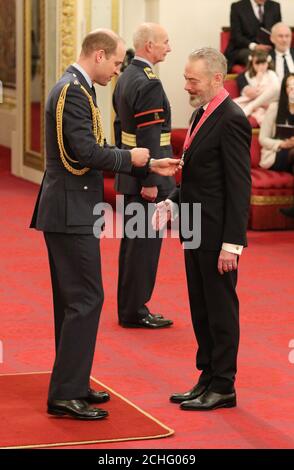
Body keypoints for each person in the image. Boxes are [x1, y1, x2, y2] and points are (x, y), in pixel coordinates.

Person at [30, 29, 180, 420]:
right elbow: (82, 153)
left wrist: (147, 162)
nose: (118, 70)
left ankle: (73, 383)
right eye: (115, 62)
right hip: (68, 211)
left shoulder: (81, 89)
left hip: (74, 208)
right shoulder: (71, 92)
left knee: (75, 300)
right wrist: (133, 160)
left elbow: (93, 147)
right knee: (85, 299)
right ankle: (65, 393)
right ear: (98, 55)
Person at [153, 48, 251, 411]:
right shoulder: (201, 113)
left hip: (217, 235)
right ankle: (207, 376)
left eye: (192, 80)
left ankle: (224, 384)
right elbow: (200, 176)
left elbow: (239, 188)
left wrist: (233, 245)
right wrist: (173, 201)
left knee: (221, 310)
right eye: (185, 78)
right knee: (201, 308)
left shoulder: (232, 118)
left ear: (215, 79)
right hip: (194, 227)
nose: (186, 85)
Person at [113, 23, 175, 329]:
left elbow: (118, 129)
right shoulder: (149, 83)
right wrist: (150, 181)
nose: (169, 47)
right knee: (145, 245)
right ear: (149, 45)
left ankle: (128, 307)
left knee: (133, 243)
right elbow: (150, 136)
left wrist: (125, 167)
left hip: (130, 172)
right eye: (165, 42)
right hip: (148, 179)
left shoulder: (125, 76)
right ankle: (135, 310)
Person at [258, 74, 294, 217]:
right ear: (285, 90)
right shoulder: (275, 108)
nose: (292, 90)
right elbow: (262, 138)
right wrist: (283, 143)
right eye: (289, 86)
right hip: (277, 154)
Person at [225, 0, 281, 71]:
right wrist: (254, 46)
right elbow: (236, 36)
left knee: (280, 55)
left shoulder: (275, 6)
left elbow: (278, 31)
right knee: (257, 57)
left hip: (268, 47)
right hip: (244, 48)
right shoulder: (237, 7)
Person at [234, 49, 280, 124]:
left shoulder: (271, 73)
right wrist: (259, 79)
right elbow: (254, 92)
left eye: (263, 64)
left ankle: (251, 106)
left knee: (275, 89)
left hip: (269, 100)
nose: (260, 67)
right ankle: (253, 106)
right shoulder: (248, 75)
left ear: (268, 63)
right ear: (252, 64)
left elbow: (276, 89)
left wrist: (263, 91)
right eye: (257, 64)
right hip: (257, 101)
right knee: (235, 104)